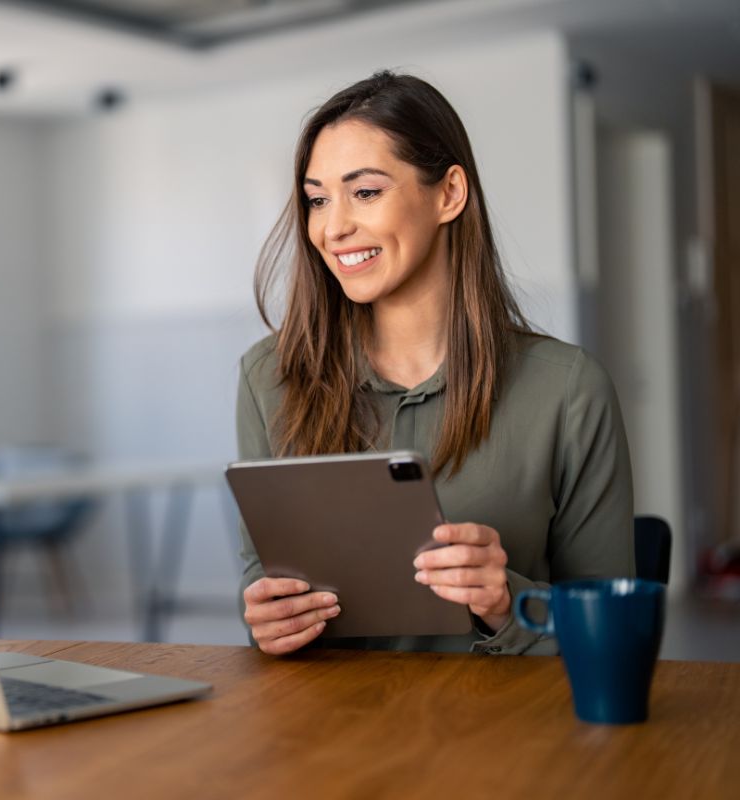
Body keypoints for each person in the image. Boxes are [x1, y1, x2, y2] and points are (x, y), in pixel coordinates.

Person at [236, 71, 633, 656]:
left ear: (449, 193)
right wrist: (268, 616)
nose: (332, 226)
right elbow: (259, 574)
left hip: (510, 735)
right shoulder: (267, 377)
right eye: (317, 198)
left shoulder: (570, 391)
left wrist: (506, 602)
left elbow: (615, 633)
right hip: (325, 736)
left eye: (365, 192)